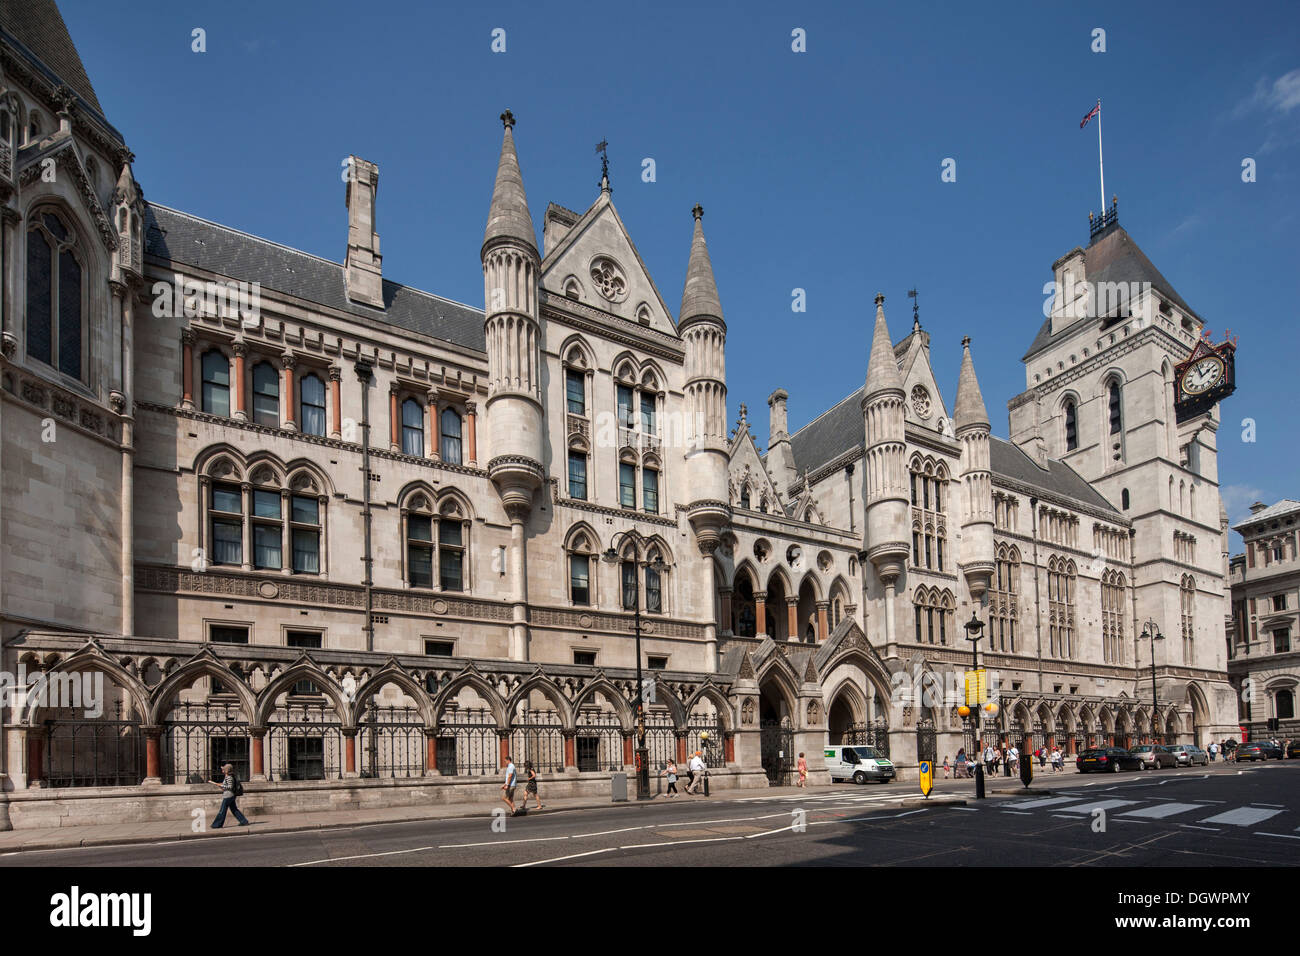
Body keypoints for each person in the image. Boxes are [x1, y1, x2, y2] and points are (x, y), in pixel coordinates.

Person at [210, 762, 249, 829]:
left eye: (224, 770)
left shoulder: (229, 777)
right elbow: (228, 786)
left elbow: (230, 787)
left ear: (227, 771)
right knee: (234, 809)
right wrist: (221, 786)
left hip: (228, 796)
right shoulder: (229, 776)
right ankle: (243, 821)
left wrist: (220, 785)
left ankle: (217, 824)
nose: (222, 771)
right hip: (230, 795)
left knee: (222, 811)